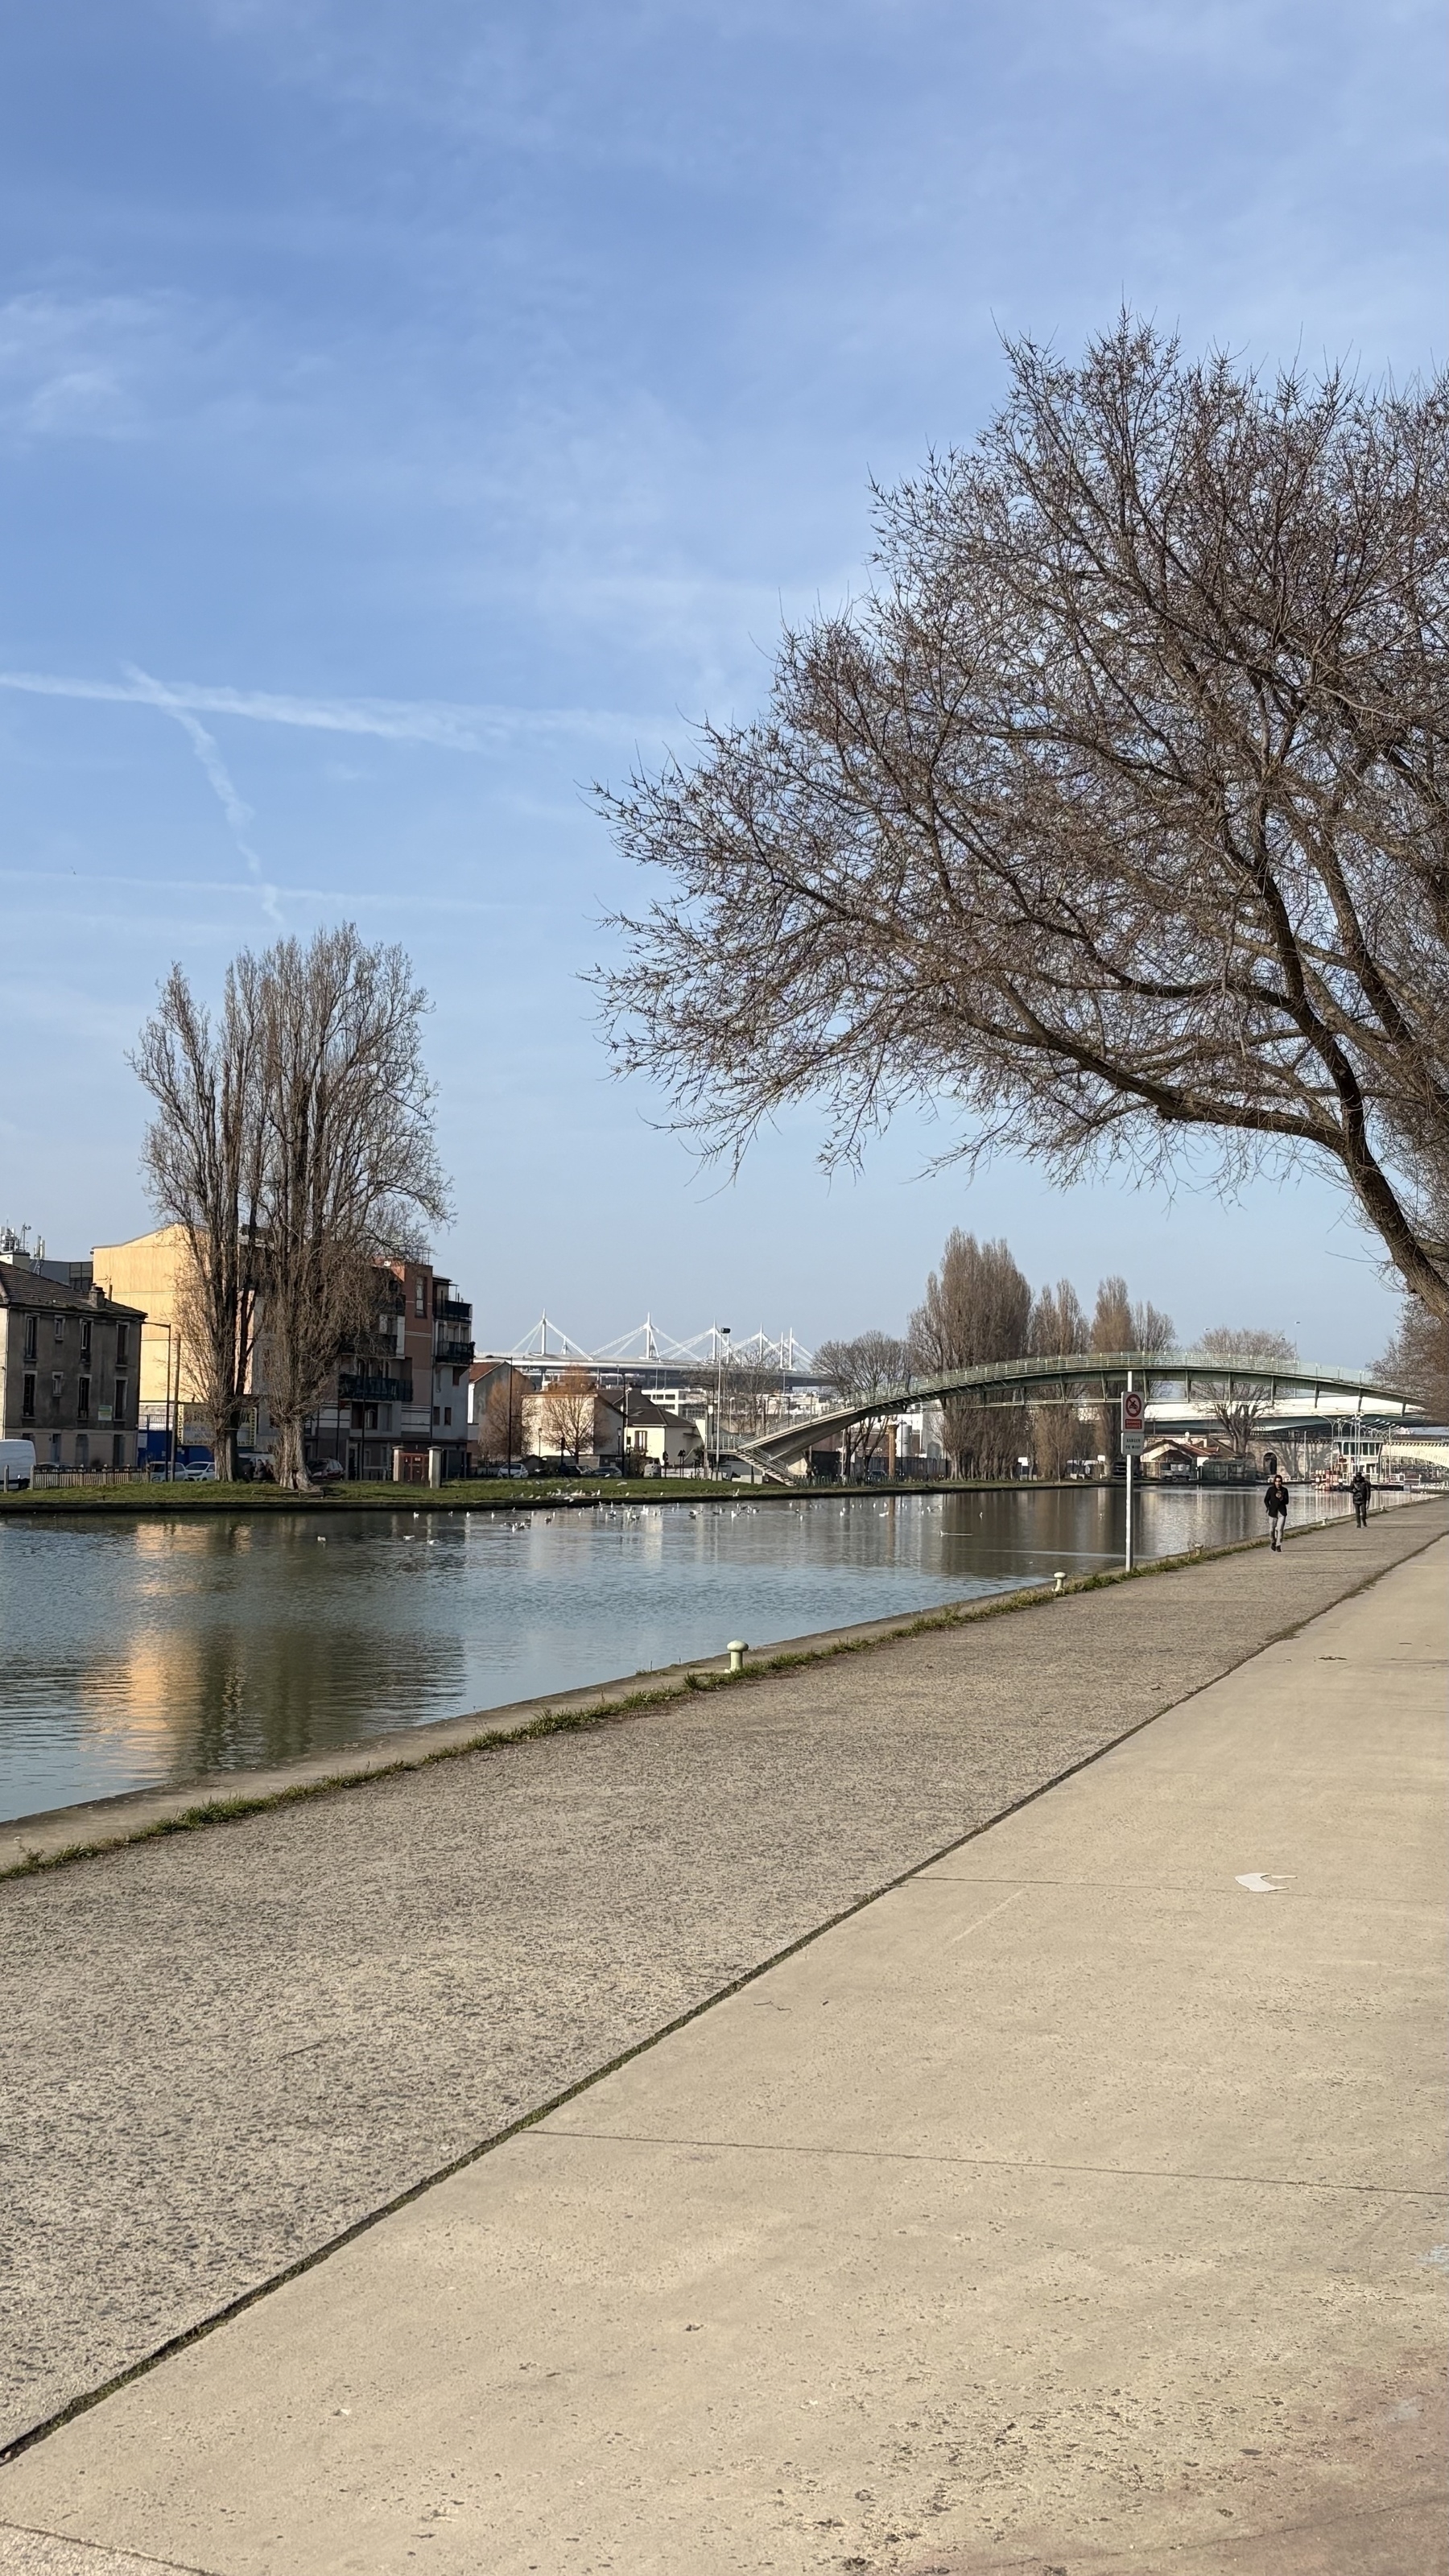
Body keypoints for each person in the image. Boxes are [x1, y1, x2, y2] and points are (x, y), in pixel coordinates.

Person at [1264, 1470, 1290, 1551]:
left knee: (1279, 1529)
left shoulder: (1284, 1490)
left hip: (1282, 1513)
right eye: (1277, 1481)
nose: (1278, 1483)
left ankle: (1278, 1545)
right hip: (1272, 1512)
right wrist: (1268, 1507)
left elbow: (1287, 1502)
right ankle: (1273, 1542)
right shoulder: (1271, 1490)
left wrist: (1282, 1498)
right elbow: (1266, 1500)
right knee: (1271, 1530)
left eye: (1280, 1482)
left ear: (1281, 1482)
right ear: (1274, 1482)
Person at [1349, 1465, 1372, 1529]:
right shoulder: (1353, 1483)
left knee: (1364, 1512)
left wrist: (1368, 1499)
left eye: (1359, 1477)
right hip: (1356, 1499)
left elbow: (1368, 1491)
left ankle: (1364, 1521)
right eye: (1357, 1477)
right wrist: (1353, 1491)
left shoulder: (1365, 1483)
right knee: (1357, 1512)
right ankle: (1358, 1524)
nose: (1358, 1478)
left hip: (1363, 1499)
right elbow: (1349, 1489)